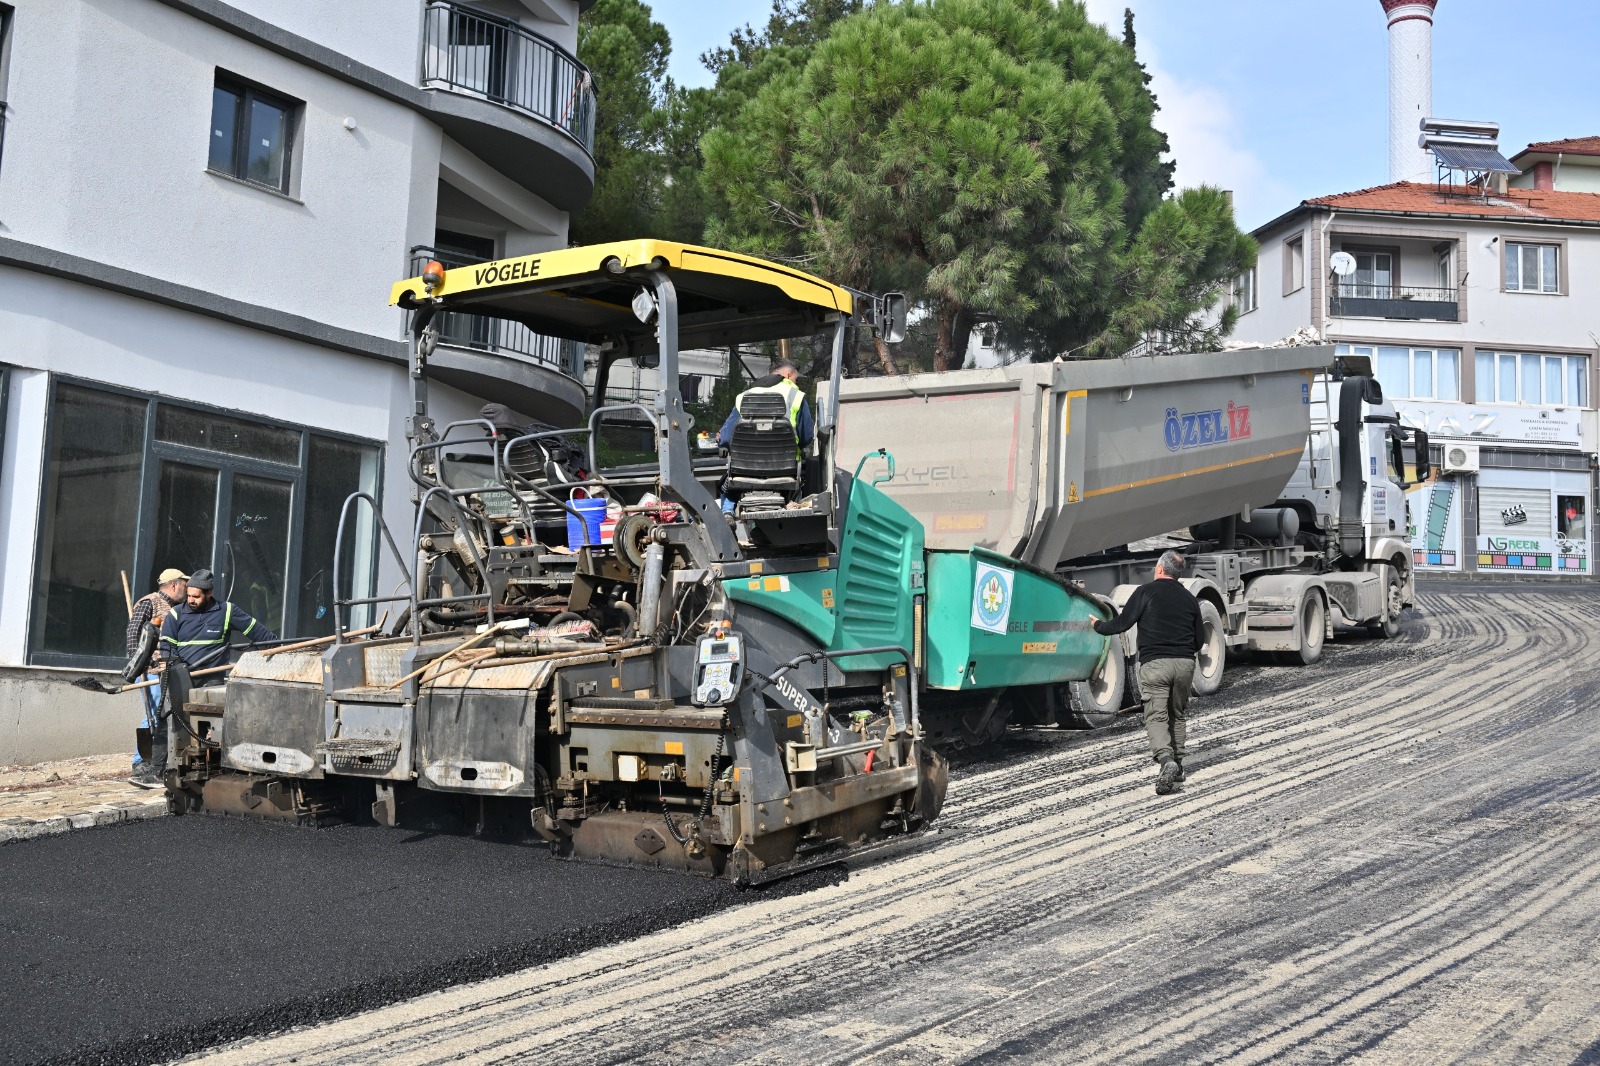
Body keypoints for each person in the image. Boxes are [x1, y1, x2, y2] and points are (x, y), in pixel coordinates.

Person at [143, 570, 278, 788]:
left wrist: (277, 647)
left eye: (196, 596)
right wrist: (171, 666)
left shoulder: (227, 611)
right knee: (167, 722)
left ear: (209, 593)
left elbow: (259, 633)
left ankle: (214, 770)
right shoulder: (176, 615)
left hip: (211, 681)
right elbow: (167, 648)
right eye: (189, 596)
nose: (191, 600)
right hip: (180, 678)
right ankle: (157, 773)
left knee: (211, 727)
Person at [1090, 550, 1204, 796]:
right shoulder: (1189, 598)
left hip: (1155, 664)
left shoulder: (1145, 592)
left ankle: (1166, 761)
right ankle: (1179, 766)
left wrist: (1097, 625)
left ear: (1160, 569)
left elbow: (1122, 624)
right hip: (1185, 664)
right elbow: (1199, 640)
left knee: (1156, 717)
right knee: (1178, 714)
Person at [716, 359, 816, 513]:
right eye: (796, 379)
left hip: (744, 470)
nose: (797, 383)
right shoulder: (796, 396)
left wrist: (721, 440)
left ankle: (727, 512)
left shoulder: (744, 396)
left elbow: (726, 438)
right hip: (786, 470)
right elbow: (806, 437)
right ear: (788, 375)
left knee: (727, 485)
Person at [124, 568, 186, 786]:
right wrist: (137, 660)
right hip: (150, 670)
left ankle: (154, 761)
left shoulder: (176, 608)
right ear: (174, 585)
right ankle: (140, 761)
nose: (187, 591)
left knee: (161, 715)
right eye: (184, 585)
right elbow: (134, 632)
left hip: (167, 669)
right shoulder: (150, 602)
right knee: (153, 714)